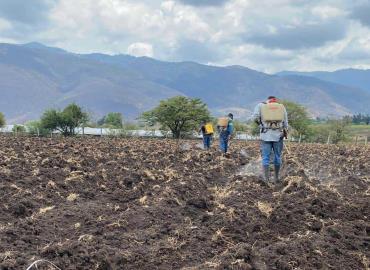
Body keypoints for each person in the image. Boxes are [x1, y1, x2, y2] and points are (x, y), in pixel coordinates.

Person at [253, 96, 288, 182]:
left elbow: (255, 117)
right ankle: (276, 177)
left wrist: (260, 125)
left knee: (265, 157)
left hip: (265, 135)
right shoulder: (281, 106)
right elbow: (286, 122)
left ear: (267, 100)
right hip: (278, 135)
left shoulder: (261, 106)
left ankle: (266, 179)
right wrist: (285, 131)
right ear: (275, 101)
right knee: (277, 156)